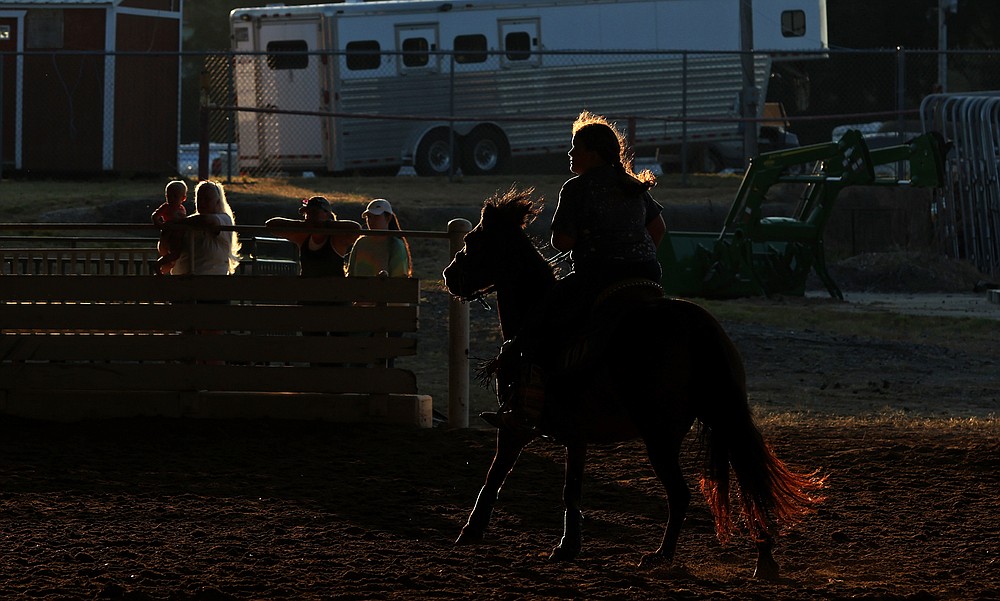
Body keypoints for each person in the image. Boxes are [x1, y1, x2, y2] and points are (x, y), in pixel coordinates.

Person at [482, 111, 666, 431]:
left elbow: (562, 242)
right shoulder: (633, 185)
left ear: (592, 154)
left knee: (536, 327)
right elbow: (658, 229)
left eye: (575, 148)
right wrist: (634, 254)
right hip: (647, 275)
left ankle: (526, 406)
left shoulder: (576, 188)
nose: (569, 153)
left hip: (598, 277)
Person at [265, 196, 361, 277]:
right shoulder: (303, 237)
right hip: (308, 290)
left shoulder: (336, 238)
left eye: (314, 213)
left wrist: (325, 225)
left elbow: (356, 228)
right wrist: (303, 225)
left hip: (333, 290)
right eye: (307, 213)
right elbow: (271, 224)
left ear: (327, 215)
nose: (309, 216)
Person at [169, 180, 241, 276]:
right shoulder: (191, 220)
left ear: (217, 202)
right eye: (199, 199)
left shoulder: (224, 218)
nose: (202, 203)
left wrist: (177, 222)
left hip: (210, 278)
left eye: (207, 199)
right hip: (182, 277)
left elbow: (207, 220)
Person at [346, 199, 413, 278]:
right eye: (369, 217)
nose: (371, 221)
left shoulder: (396, 245)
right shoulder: (360, 243)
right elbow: (350, 274)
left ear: (388, 218)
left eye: (376, 217)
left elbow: (399, 279)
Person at [151, 180, 188, 275]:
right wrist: (160, 225)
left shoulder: (182, 209)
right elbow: (155, 216)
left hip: (179, 236)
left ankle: (162, 271)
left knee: (175, 258)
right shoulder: (166, 207)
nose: (171, 199)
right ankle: (158, 265)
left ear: (183, 198)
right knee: (174, 255)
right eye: (168, 196)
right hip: (170, 236)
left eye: (175, 196)